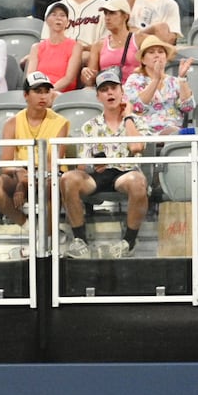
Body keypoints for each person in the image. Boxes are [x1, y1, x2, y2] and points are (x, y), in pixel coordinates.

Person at [60, 66, 149, 259]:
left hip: (125, 173)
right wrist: (93, 165)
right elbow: (82, 167)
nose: (109, 92)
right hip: (98, 174)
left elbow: (136, 148)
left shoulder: (136, 121)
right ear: (98, 96)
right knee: (68, 178)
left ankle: (129, 242)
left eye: (113, 88)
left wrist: (128, 118)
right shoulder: (89, 126)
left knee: (137, 181)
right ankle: (80, 241)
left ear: (121, 92)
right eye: (104, 89)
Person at [0, 72, 71, 242]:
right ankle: (31, 228)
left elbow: (52, 164)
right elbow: (5, 165)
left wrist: (23, 184)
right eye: (38, 91)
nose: (43, 96)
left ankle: (50, 236)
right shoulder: (12, 122)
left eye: (46, 91)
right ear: (26, 95)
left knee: (50, 183)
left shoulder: (61, 123)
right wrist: (20, 176)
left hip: (48, 175)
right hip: (21, 173)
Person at [124, 35, 196, 136]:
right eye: (151, 52)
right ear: (143, 60)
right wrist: (156, 80)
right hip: (144, 133)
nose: (157, 55)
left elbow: (187, 107)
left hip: (172, 133)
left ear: (166, 58)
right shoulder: (134, 80)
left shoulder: (174, 81)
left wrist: (182, 78)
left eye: (160, 52)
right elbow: (137, 106)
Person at [28, 2, 84, 93]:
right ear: (46, 20)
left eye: (62, 15)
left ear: (67, 22)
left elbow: (69, 78)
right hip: (39, 92)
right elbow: (30, 76)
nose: (58, 18)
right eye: (54, 14)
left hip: (62, 94)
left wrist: (48, 92)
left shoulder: (75, 46)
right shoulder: (36, 47)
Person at [87, 0, 141, 88]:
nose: (107, 18)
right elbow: (90, 81)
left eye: (112, 13)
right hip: (107, 91)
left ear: (125, 16)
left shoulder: (139, 39)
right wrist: (85, 74)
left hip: (134, 90)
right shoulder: (98, 46)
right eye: (106, 13)